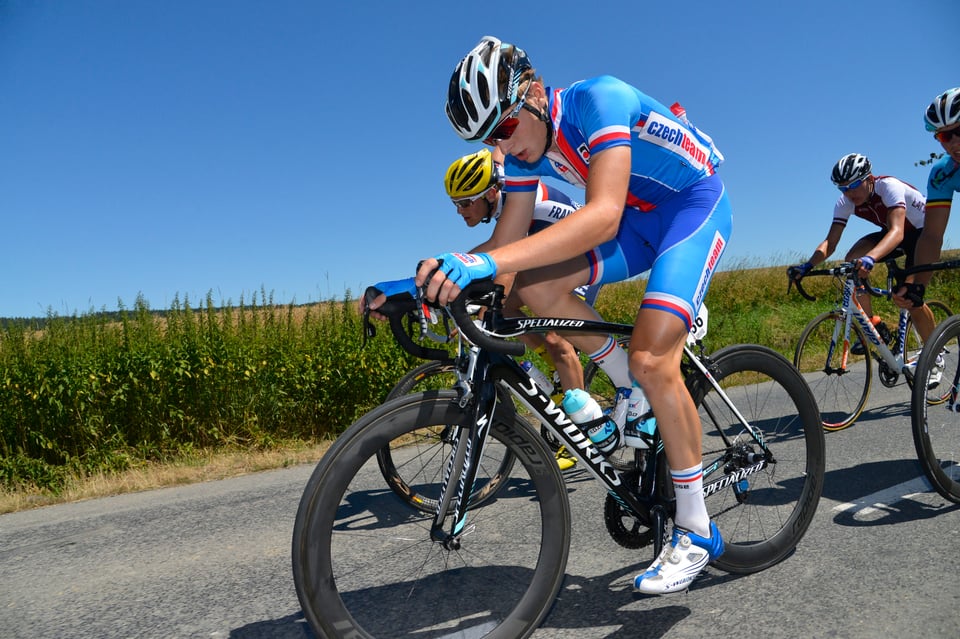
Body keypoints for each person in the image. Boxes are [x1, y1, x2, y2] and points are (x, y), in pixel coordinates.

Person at [418, 35, 732, 595]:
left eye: (505, 128)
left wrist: (483, 261)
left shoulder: (598, 101)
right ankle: (624, 384)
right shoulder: (520, 156)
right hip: (641, 219)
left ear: (534, 92)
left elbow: (603, 215)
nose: (501, 146)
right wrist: (436, 279)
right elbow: (506, 245)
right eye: (488, 138)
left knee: (654, 357)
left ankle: (696, 527)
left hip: (691, 206)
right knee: (538, 291)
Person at [788, 153, 934, 353]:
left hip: (923, 235)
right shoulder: (845, 202)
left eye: (853, 185)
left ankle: (936, 354)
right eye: (843, 188)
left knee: (909, 299)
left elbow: (897, 232)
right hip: (893, 232)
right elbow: (830, 242)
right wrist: (807, 265)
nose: (849, 193)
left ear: (869, 178)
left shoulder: (889, 187)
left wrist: (870, 258)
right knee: (851, 262)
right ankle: (875, 326)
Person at [893, 88, 960, 310]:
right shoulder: (942, 174)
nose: (953, 143)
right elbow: (931, 235)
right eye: (944, 136)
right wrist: (917, 285)